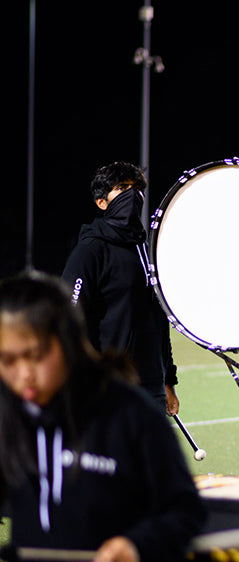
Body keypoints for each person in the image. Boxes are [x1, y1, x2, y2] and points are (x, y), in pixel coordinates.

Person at [0, 271, 205, 562]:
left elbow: (186, 511)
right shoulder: (11, 414)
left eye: (36, 356)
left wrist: (138, 546)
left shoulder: (130, 414)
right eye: (8, 361)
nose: (24, 374)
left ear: (69, 342)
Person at [61, 161, 179, 415]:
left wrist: (168, 379)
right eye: (122, 188)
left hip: (152, 383)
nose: (132, 194)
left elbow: (158, 319)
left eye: (137, 188)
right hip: (109, 383)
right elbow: (68, 318)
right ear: (101, 202)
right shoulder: (90, 250)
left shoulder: (146, 249)